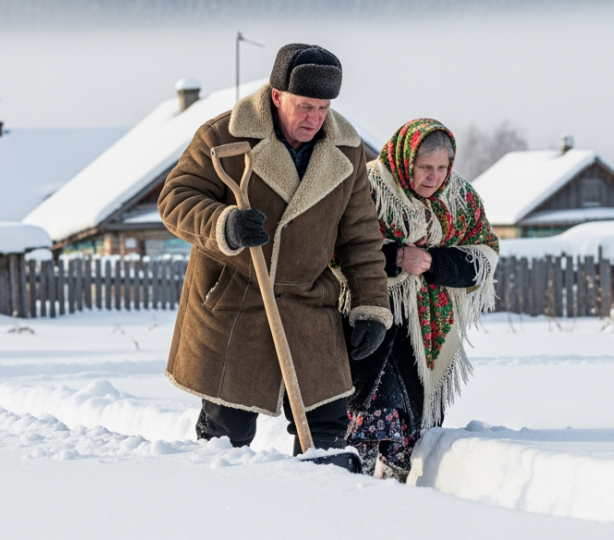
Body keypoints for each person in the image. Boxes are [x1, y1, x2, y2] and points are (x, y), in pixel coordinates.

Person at [158, 43, 392, 472]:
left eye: (323, 108)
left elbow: (361, 236)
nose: (315, 119)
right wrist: (224, 223)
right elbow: (175, 198)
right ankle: (224, 503)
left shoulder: (346, 149)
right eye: (305, 106)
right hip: (236, 302)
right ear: (277, 95)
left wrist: (371, 306)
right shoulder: (224, 137)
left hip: (309, 304)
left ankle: (328, 501)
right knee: (228, 432)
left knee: (327, 427)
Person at [347, 119, 500, 480]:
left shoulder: (460, 198)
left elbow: (484, 252)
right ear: (405, 160)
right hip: (372, 318)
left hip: (430, 326)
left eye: (442, 167)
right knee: (367, 416)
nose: (434, 177)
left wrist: (432, 262)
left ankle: (398, 488)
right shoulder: (367, 187)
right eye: (425, 167)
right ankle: (353, 488)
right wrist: (396, 256)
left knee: (412, 426)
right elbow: (340, 247)